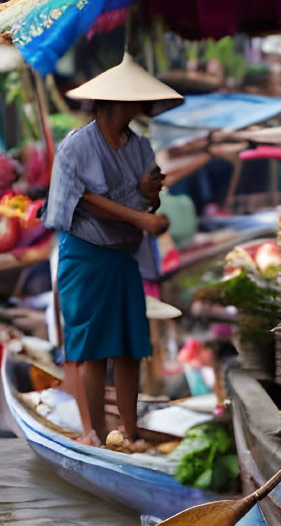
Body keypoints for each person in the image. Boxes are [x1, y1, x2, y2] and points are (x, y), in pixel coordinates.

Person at [42, 56, 179, 447]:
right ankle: (95, 433)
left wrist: (151, 200)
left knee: (128, 346)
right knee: (94, 346)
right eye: (132, 102)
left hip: (123, 256)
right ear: (113, 103)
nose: (138, 109)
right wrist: (143, 220)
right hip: (86, 254)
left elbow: (147, 205)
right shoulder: (76, 147)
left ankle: (130, 433)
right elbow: (84, 200)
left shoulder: (140, 147)